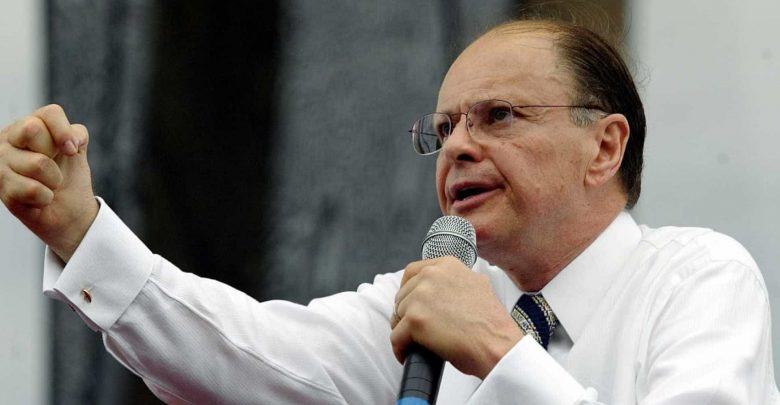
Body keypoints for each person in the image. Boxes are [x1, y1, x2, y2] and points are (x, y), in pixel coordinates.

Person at [1, 17, 778, 405]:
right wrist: (80, 229)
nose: (458, 147)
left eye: (499, 116)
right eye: (443, 130)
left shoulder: (698, 279)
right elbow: (239, 352)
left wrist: (500, 352)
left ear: (604, 146)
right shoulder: (429, 304)